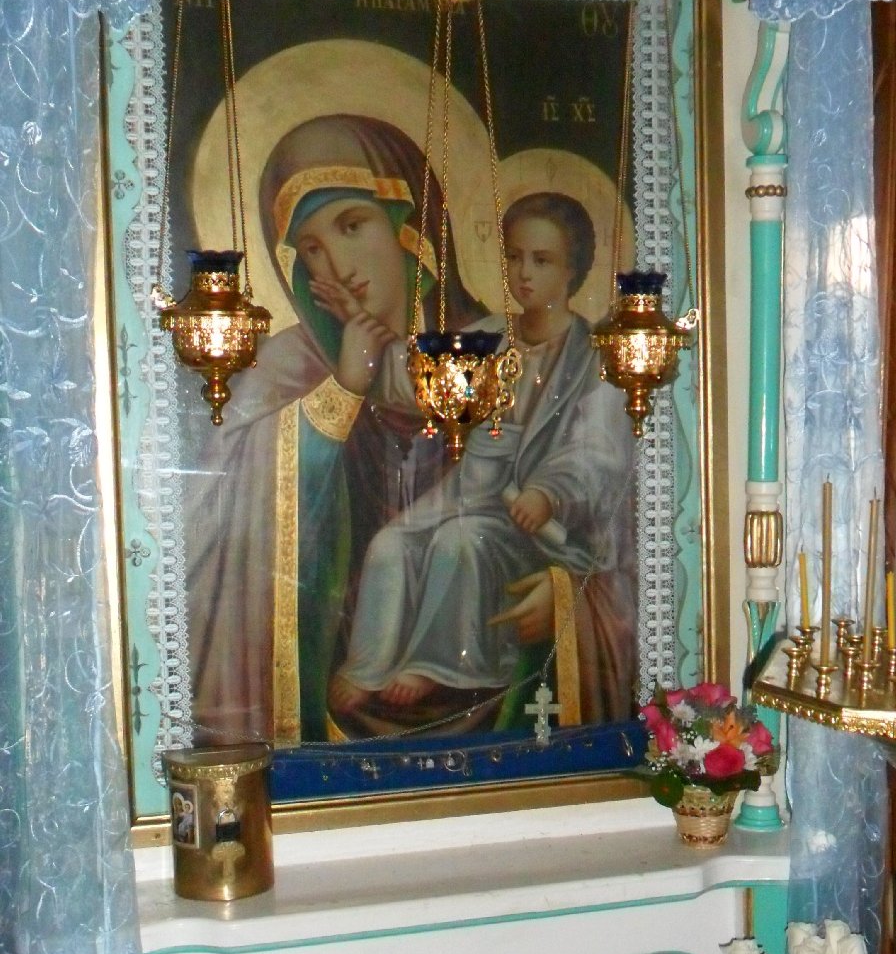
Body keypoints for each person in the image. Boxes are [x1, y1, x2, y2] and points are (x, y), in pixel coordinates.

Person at [185, 112, 482, 743]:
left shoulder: (486, 354)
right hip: (330, 657)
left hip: (479, 656)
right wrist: (344, 385)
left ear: (412, 230)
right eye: (311, 247)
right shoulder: (287, 366)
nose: (337, 264)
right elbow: (222, 513)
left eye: (352, 225)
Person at [329, 192, 636, 724]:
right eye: (515, 257)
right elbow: (422, 378)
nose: (524, 273)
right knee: (389, 545)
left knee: (460, 543)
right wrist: (364, 336)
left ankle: (437, 664)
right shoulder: (491, 336)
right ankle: (368, 666)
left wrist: (549, 492)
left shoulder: (593, 359)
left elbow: (598, 454)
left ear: (573, 271)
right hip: (470, 491)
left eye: (542, 260)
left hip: (531, 524)